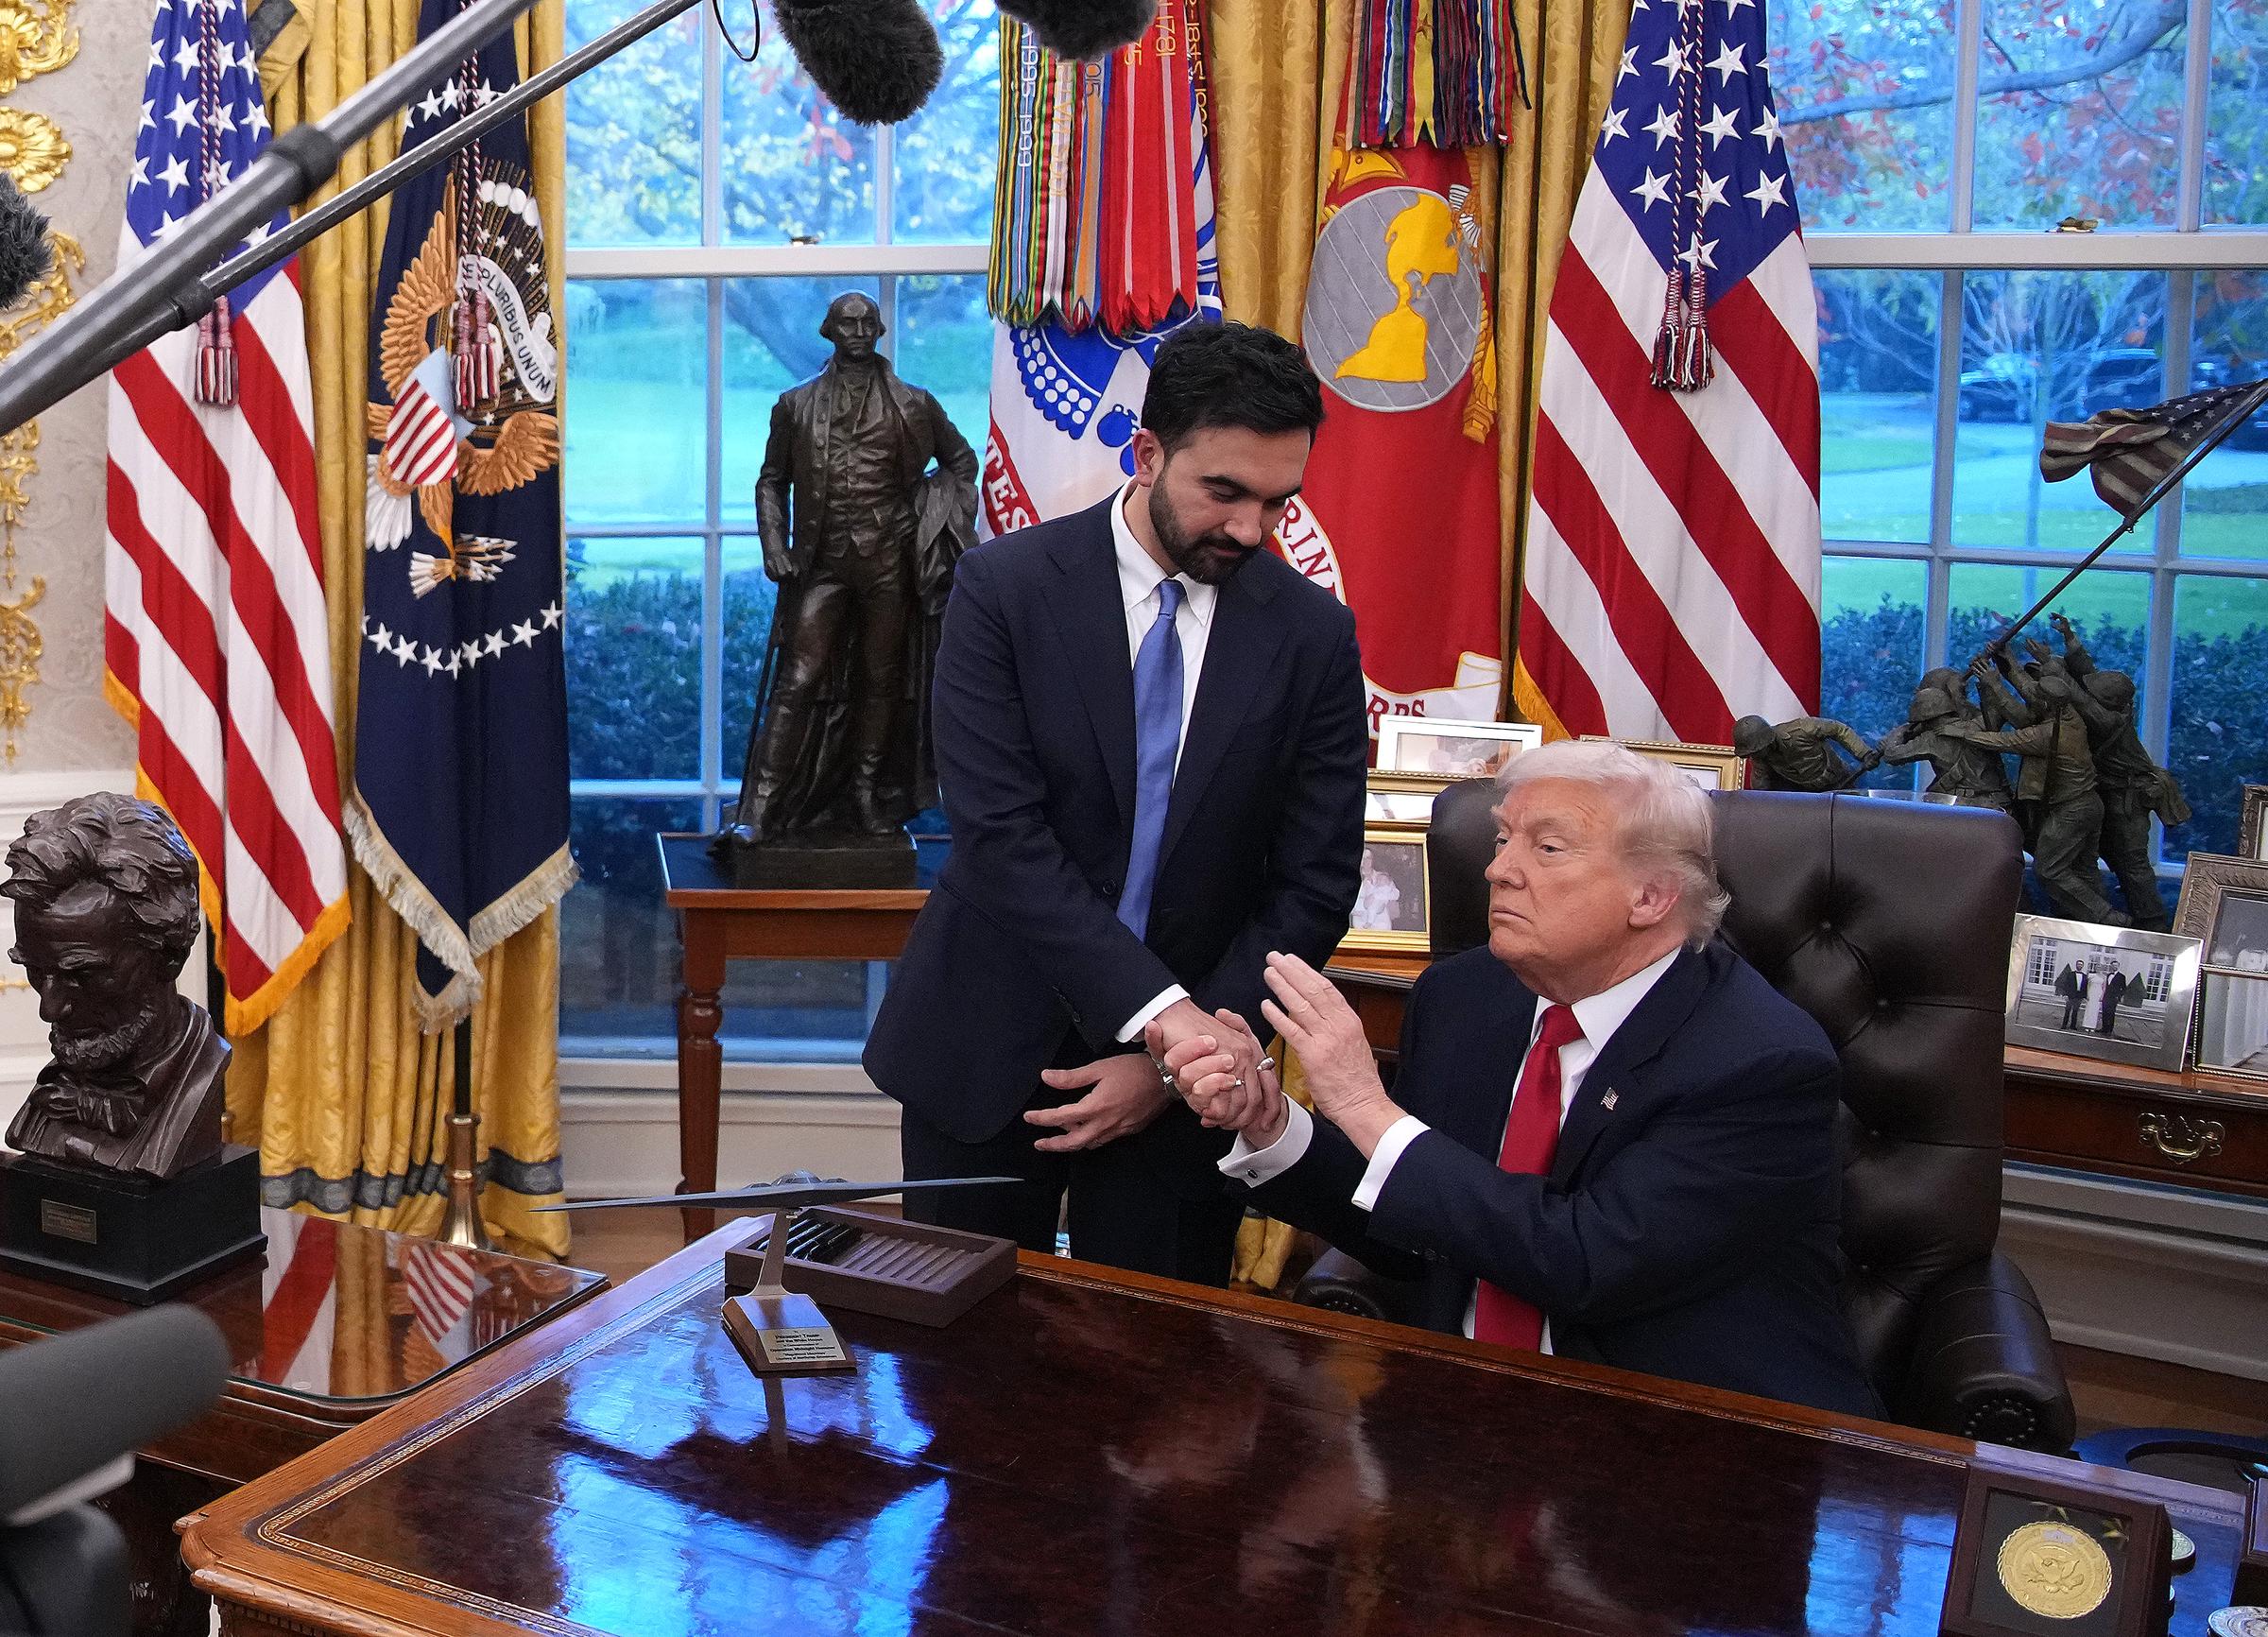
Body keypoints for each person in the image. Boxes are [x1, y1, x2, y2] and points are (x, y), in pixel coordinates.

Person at [864, 321, 1367, 1284]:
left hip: (1189, 1096)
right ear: (1146, 455)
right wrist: (1162, 1015)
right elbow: (1003, 840)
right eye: (1223, 492)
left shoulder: (1313, 638)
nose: (1249, 531)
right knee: (962, 1375)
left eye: (1276, 501)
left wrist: (1181, 1058)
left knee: (1156, 1396)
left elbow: (1315, 882)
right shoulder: (1002, 590)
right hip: (982, 1051)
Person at [1163, 739, 1880, 1416]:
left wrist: (1359, 1102)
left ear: (1652, 898)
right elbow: (1415, 1223)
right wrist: (1274, 1123)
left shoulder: (1759, 1062)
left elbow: (1585, 1263)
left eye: (1548, 847)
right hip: (1461, 1423)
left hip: (1688, 1437)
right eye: (1505, 839)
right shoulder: (1463, 998)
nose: (1498, 869)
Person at [722, 291, 979, 843]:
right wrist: (774, 544)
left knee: (881, 680)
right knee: (797, 679)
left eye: (867, 323)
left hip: (889, 563)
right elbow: (772, 480)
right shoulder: (795, 405)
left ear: (880, 330)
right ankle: (760, 810)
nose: (859, 332)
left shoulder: (915, 404)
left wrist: (928, 517)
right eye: (848, 323)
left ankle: (866, 795)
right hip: (822, 562)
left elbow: (961, 464)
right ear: (829, 331)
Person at [3, 793, 230, 1180]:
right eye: (37, 972)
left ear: (170, 954)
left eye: (84, 975)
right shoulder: (50, 1097)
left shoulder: (199, 1078)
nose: (51, 1010)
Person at [1731, 715, 1879, 792]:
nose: (1754, 756)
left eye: (1755, 751)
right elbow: (1760, 790)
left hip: (1841, 782)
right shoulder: (1762, 758)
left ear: (1766, 742)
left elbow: (1839, 729)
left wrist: (1864, 754)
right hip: (1809, 796)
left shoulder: (1802, 729)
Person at [1350, 847, 1401, 932]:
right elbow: (1348, 903)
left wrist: (1383, 899)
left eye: (1368, 858)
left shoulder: (1383, 876)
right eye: (1363, 858)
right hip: (1361, 924)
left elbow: (1395, 894)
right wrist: (1364, 905)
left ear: (1372, 860)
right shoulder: (1352, 879)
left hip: (1382, 923)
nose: (1366, 861)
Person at [2097, 964, 2129, 1039]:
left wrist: (2119, 996)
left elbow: (2124, 988)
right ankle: (2104, 1028)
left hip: (2114, 998)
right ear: (2111, 966)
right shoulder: (2108, 975)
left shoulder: (2121, 976)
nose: (2114, 967)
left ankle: (2109, 1030)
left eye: (2115, 966)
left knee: (2111, 1014)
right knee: (2104, 1013)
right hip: (2106, 997)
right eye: (2113, 966)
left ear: (2118, 966)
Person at [2054, 960, 2087, 1031]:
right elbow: (2066, 985)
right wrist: (2065, 995)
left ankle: (2073, 1025)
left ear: (2082, 966)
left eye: (2081, 965)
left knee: (2075, 1011)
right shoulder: (2070, 974)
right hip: (2070, 996)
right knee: (2067, 1010)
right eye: (2078, 964)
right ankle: (2064, 1025)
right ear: (2076, 965)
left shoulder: (2084, 976)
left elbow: (2085, 987)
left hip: (2079, 997)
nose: (2079, 966)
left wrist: (2084, 997)